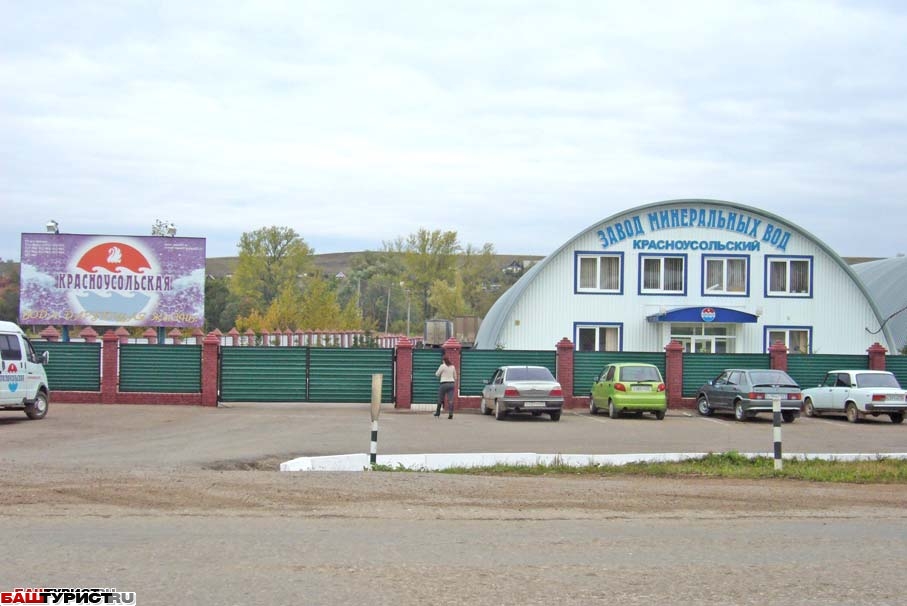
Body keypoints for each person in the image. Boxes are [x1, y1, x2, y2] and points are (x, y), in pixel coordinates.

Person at [435, 354, 457, 419]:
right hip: (451, 384)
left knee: (440, 398)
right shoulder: (452, 366)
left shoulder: (442, 366)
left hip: (444, 384)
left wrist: (441, 375)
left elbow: (437, 374)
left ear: (443, 360)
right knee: (451, 400)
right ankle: (451, 414)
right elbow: (455, 377)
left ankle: (437, 413)